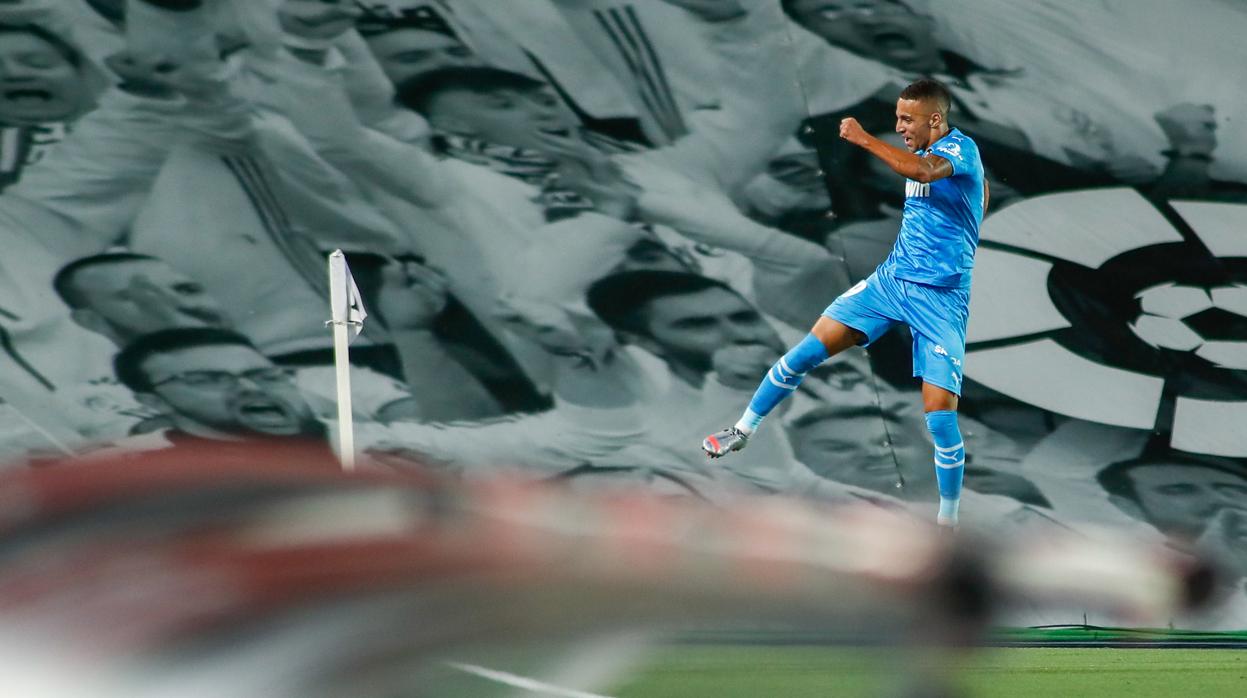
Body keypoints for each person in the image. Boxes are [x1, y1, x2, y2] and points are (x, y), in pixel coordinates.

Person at [702, 78, 986, 529]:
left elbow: (922, 173)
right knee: (801, 355)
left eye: (906, 119)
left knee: (939, 416)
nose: (900, 126)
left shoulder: (958, 152)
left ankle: (947, 518)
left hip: (939, 297)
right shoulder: (874, 212)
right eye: (896, 118)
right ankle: (741, 430)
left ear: (935, 119)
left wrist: (863, 138)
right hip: (892, 281)